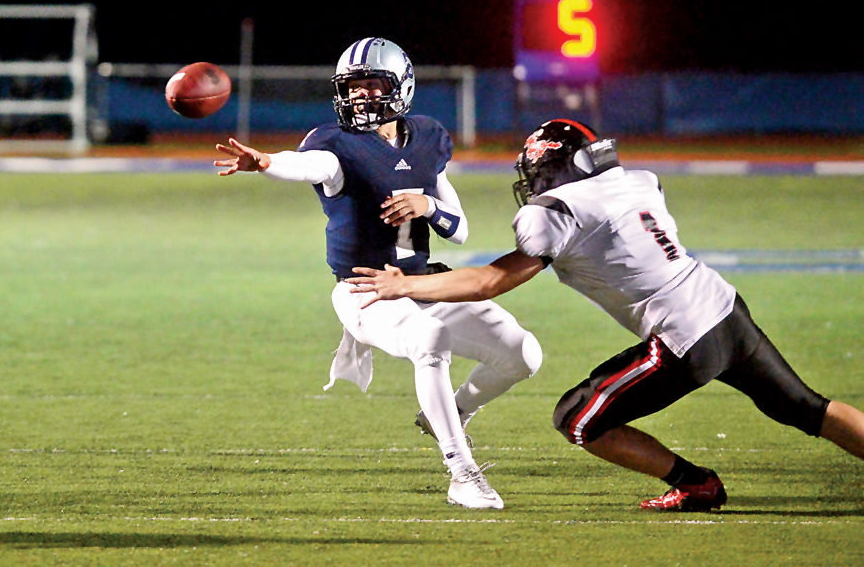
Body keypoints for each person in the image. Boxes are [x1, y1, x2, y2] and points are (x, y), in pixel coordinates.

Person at [346, 118, 864, 511]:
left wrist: (406, 284)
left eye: (536, 171)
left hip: (683, 337)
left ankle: (694, 483)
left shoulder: (552, 213)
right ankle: (697, 481)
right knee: (806, 407)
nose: (532, 183)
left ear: (555, 167)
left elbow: (491, 280)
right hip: (725, 308)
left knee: (576, 419)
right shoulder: (641, 181)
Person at [213, 37, 542, 509]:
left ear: (401, 87)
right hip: (366, 290)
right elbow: (306, 165)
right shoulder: (336, 146)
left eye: (372, 84)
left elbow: (461, 231)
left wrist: (427, 204)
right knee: (430, 339)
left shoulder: (427, 137)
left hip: (423, 281)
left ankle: (452, 412)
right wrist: (266, 162)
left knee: (522, 355)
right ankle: (462, 471)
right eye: (353, 87)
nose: (362, 95)